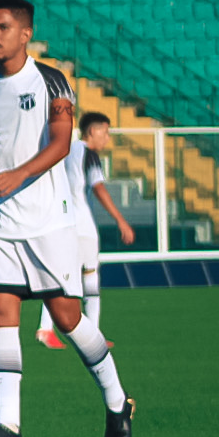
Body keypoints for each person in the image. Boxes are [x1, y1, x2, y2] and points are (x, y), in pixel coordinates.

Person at [0, 0, 133, 437]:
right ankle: (8, 425)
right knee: (0, 312)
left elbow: (60, 144)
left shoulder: (53, 81)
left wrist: (17, 175)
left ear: (24, 34)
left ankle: (117, 401)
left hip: (48, 224)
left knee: (67, 317)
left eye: (1, 27)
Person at [36, 110, 135, 349]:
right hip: (83, 226)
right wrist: (121, 220)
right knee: (90, 279)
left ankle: (45, 328)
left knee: (62, 278)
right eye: (106, 132)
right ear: (93, 131)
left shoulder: (67, 151)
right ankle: (93, 335)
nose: (107, 138)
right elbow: (98, 187)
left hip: (63, 223)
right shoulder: (89, 155)